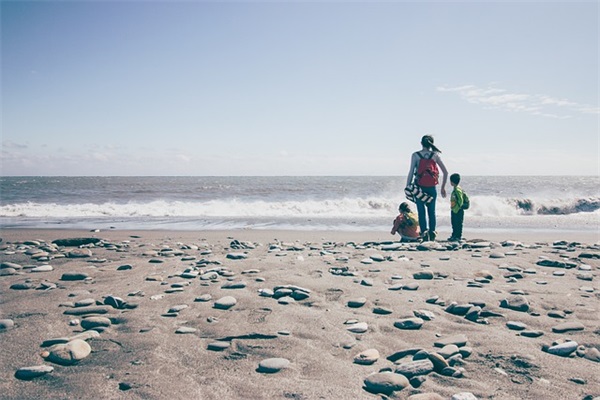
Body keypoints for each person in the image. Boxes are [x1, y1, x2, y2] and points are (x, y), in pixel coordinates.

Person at [405, 135, 448, 242]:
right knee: (431, 212)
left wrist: (408, 186)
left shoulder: (415, 155)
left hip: (419, 188)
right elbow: (446, 172)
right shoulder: (435, 155)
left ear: (421, 143)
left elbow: (411, 172)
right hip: (432, 188)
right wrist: (442, 187)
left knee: (421, 212)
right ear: (431, 143)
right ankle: (432, 233)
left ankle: (424, 233)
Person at [449, 173, 465, 241]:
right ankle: (454, 235)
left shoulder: (457, 189)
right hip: (454, 209)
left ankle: (458, 236)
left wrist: (458, 207)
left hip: (458, 210)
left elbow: (460, 199)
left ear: (452, 182)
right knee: (454, 223)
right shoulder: (455, 188)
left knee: (458, 223)